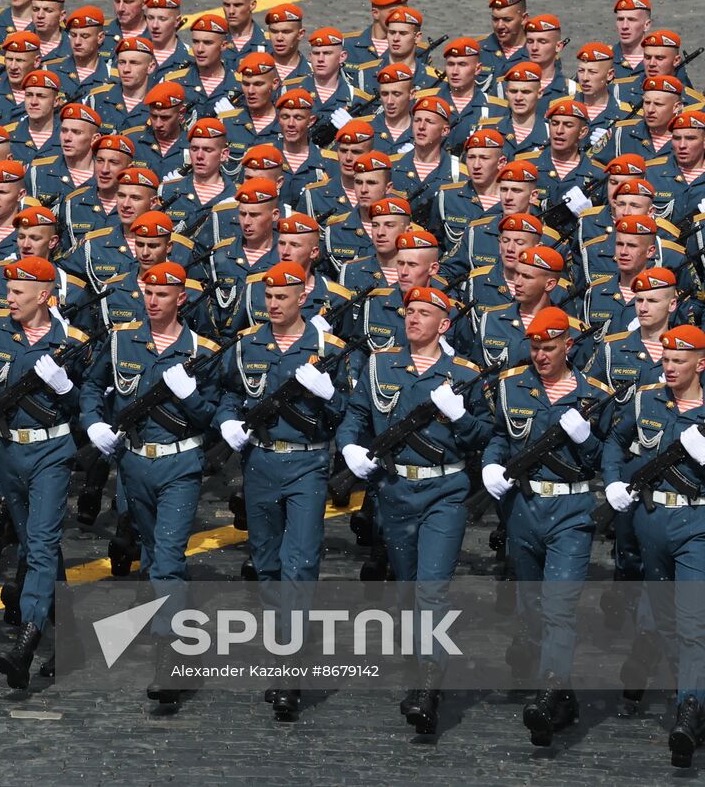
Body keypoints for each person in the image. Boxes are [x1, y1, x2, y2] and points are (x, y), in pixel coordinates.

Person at [336, 285, 492, 733]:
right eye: (410, 311)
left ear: (443, 324)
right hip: (394, 490)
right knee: (406, 587)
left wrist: (460, 417)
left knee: (431, 588)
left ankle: (428, 682)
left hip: (445, 490)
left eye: (424, 313)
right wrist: (349, 450)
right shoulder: (381, 363)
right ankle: (420, 657)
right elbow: (357, 416)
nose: (413, 318)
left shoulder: (465, 373)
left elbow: (483, 436)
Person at [0, 255, 90, 686]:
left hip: (51, 451)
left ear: (44, 296)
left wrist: (67, 388)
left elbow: (96, 403)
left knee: (41, 543)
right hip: (6, 451)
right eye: (7, 291)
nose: (8, 299)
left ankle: (27, 638)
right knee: (33, 543)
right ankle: (72, 636)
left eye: (17, 293)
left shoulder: (72, 340)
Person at [80, 260, 221, 706]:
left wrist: (189, 396)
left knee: (167, 558)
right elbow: (91, 385)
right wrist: (92, 424)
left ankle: (172, 659)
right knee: (150, 552)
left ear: (181, 298)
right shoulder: (122, 341)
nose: (153, 299)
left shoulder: (202, 350)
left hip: (180, 464)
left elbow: (212, 416)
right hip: (134, 462)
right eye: (148, 292)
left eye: (164, 294)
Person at [215, 260, 349, 720]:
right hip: (260, 461)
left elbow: (350, 408)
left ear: (301, 299)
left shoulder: (327, 348)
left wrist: (330, 393)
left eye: (282, 297)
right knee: (267, 562)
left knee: (300, 562)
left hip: (309, 461)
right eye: (268, 297)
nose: (273, 304)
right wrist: (228, 421)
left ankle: (289, 669)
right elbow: (229, 393)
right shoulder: (247, 345)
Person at [480, 306, 614, 746]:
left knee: (559, 606)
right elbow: (500, 434)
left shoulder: (592, 395)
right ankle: (564, 692)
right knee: (532, 607)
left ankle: (549, 692)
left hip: (571, 512)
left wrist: (585, 438)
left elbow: (604, 458)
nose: (540, 355)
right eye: (535, 347)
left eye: (549, 347)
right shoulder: (510, 386)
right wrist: (490, 465)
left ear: (568, 346)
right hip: (524, 508)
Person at [605, 324, 705, 768]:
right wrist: (612, 482)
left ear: (700, 364)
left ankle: (689, 708)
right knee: (664, 620)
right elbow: (614, 440)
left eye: (678, 361)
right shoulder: (647, 399)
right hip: (650, 521)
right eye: (665, 360)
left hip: (697, 521)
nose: (668, 367)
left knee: (692, 621)